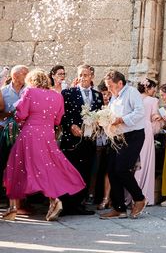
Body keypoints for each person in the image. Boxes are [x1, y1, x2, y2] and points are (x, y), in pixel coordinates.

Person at [2, 69, 85, 221]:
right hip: (48, 135)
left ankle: (13, 208)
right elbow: (58, 120)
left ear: (31, 80)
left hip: (30, 134)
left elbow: (21, 115)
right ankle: (53, 199)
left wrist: (17, 116)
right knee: (47, 167)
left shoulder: (30, 92)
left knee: (16, 165)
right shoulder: (57, 96)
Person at [99, 70, 147, 220]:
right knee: (112, 170)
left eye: (111, 86)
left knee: (122, 169)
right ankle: (119, 208)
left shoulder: (131, 92)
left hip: (133, 135)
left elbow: (140, 112)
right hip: (117, 137)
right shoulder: (114, 96)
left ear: (120, 83)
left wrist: (122, 119)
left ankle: (139, 199)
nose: (109, 89)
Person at [59, 64, 103, 215]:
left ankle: (78, 204)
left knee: (85, 171)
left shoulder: (98, 95)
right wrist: (71, 125)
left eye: (86, 75)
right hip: (71, 139)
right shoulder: (68, 93)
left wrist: (98, 123)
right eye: (80, 74)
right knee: (68, 170)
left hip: (89, 139)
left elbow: (100, 115)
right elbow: (62, 114)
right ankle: (65, 204)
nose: (83, 77)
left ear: (92, 77)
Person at [129, 78, 161, 206]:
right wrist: (158, 118)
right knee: (145, 159)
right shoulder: (153, 100)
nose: (154, 91)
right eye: (153, 88)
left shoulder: (134, 98)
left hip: (133, 128)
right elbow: (154, 116)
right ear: (147, 88)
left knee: (134, 159)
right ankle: (144, 194)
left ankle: (131, 194)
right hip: (146, 129)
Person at [0, 65, 28, 198]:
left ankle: (20, 198)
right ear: (15, 76)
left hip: (23, 134)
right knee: (3, 162)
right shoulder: (3, 91)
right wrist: (11, 114)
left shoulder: (29, 91)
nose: (28, 77)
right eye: (25, 74)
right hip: (5, 133)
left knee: (21, 165)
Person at [93, 83, 112, 210]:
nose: (105, 96)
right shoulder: (96, 106)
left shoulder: (113, 106)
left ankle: (107, 198)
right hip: (97, 141)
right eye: (103, 94)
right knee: (96, 169)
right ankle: (94, 195)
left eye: (107, 93)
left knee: (108, 170)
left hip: (110, 140)